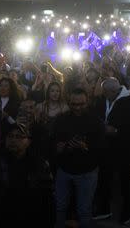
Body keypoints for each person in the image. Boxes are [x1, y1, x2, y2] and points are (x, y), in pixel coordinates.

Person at [52, 88, 105, 228]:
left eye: (81, 104)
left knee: (84, 210)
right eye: (74, 104)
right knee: (60, 206)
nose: (77, 107)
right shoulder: (61, 119)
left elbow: (102, 146)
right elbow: (52, 141)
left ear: (87, 102)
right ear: (69, 103)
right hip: (64, 170)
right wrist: (59, 147)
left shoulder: (95, 121)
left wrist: (86, 146)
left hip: (87, 172)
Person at [94, 78, 130, 224]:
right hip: (106, 148)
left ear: (113, 91)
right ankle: (104, 209)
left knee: (125, 181)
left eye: (105, 93)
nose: (103, 95)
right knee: (104, 179)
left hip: (124, 149)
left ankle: (127, 211)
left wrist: (116, 131)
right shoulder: (104, 100)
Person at [0, 123, 54, 226]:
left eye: (19, 136)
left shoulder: (39, 165)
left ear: (28, 141)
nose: (13, 140)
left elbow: (47, 198)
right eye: (10, 136)